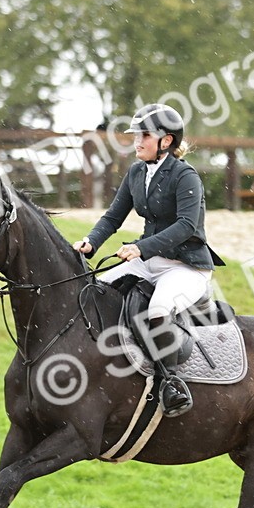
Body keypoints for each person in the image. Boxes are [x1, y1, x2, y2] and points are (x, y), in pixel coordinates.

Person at [74, 103, 225, 418]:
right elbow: (113, 216)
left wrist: (141, 248)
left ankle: (170, 383)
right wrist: (91, 242)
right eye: (136, 135)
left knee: (157, 311)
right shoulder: (137, 171)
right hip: (150, 260)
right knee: (92, 291)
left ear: (166, 141)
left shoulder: (186, 176)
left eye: (144, 135)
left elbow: (186, 226)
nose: (136, 142)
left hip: (187, 267)